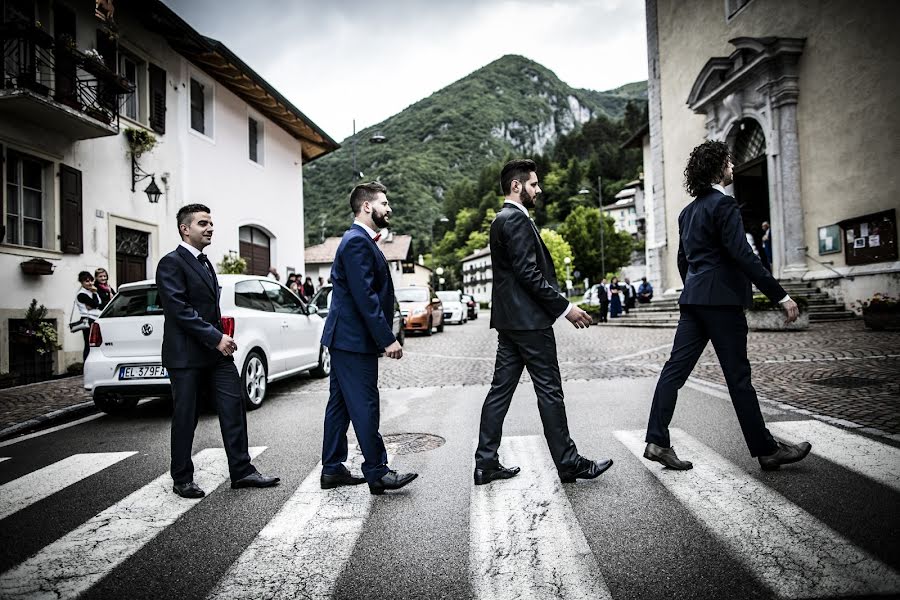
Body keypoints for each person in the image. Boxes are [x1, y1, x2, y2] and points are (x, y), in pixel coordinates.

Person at [643, 140, 810, 472]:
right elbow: (742, 254)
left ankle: (657, 441)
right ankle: (767, 450)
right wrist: (781, 296)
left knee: (673, 372)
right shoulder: (725, 205)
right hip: (721, 302)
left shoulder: (687, 212)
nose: (733, 167)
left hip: (694, 299)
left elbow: (683, 261)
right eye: (729, 162)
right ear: (718, 166)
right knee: (738, 378)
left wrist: (696, 287)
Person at [474, 159, 612, 486]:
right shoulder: (516, 221)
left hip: (510, 323)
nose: (540, 189)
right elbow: (529, 275)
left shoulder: (500, 220)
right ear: (516, 186)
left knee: (499, 392)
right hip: (531, 324)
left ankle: (485, 462)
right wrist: (566, 308)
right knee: (550, 392)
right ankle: (568, 463)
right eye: (534, 184)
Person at [156, 204, 279, 499]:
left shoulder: (206, 263)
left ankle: (242, 471)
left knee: (233, 407)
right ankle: (182, 478)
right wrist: (215, 337)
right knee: (186, 417)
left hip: (215, 356)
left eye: (211, 223)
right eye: (202, 223)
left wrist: (218, 341)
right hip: (186, 357)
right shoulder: (170, 263)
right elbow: (179, 310)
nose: (210, 228)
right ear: (185, 229)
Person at [320, 182, 417, 495]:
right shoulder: (357, 242)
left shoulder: (358, 240)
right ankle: (377, 470)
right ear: (366, 206)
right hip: (353, 339)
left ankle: (333, 468)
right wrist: (387, 338)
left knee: (340, 405)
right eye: (384, 203)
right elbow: (365, 297)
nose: (389, 209)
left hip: (346, 338)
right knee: (365, 404)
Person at [74, 271, 102, 361]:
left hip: (95, 319)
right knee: (89, 344)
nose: (90, 283)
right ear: (81, 282)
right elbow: (95, 304)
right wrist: (94, 298)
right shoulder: (81, 294)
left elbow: (100, 304)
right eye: (87, 281)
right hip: (87, 320)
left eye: (91, 281)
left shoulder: (92, 291)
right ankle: (86, 365)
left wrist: (95, 304)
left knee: (96, 345)